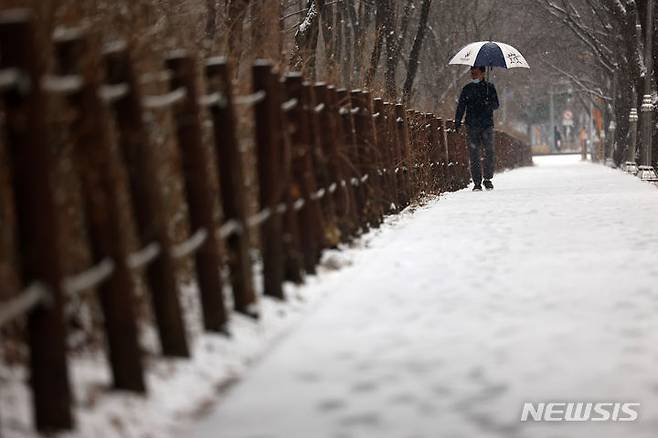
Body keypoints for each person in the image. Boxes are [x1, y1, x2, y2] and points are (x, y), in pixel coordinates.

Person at [455, 66, 499, 191]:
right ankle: (477, 182)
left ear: (483, 73)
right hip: (472, 125)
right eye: (472, 73)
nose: (473, 76)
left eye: (476, 73)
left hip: (487, 125)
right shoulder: (467, 89)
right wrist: (457, 121)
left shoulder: (489, 88)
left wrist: (487, 102)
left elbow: (496, 105)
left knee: (489, 152)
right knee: (474, 154)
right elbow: (461, 106)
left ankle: (487, 178)